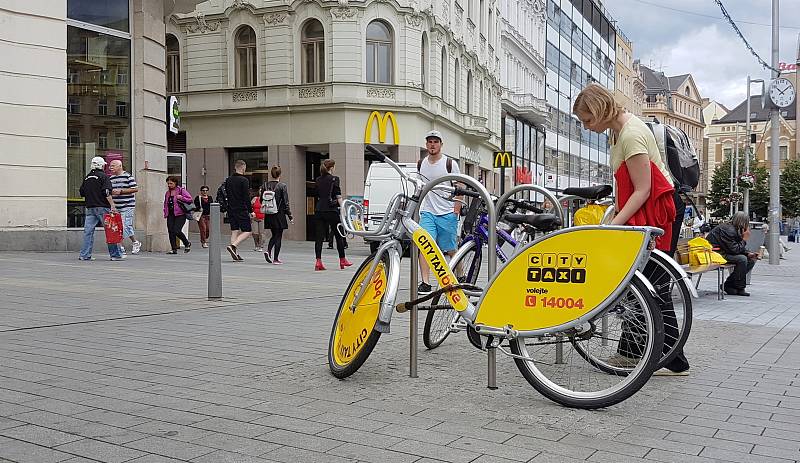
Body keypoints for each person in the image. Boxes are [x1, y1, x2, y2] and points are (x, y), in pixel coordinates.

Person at [573, 83, 689, 376]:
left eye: (587, 120)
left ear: (600, 112)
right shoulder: (619, 131)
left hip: (655, 211)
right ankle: (633, 352)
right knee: (641, 282)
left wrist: (613, 223)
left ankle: (673, 360)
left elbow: (643, 189)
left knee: (652, 284)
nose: (586, 127)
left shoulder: (632, 134)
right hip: (648, 209)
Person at [417, 130, 462, 294]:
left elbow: (460, 186)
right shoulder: (421, 163)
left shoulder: (449, 163)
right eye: (430, 141)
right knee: (425, 245)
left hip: (447, 212)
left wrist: (456, 210)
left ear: (441, 145)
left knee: (450, 249)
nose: (432, 145)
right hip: (428, 212)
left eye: (436, 142)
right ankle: (425, 282)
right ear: (426, 144)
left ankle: (460, 275)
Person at [79, 156, 123, 261]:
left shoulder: (87, 177)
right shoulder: (104, 176)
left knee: (88, 232)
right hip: (103, 207)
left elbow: (82, 192)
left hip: (90, 208)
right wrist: (112, 205)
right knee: (110, 230)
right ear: (101, 165)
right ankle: (115, 255)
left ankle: (85, 255)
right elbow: (107, 192)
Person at [706, 212, 758, 296]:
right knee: (742, 259)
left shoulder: (734, 228)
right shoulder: (729, 230)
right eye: (747, 222)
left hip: (723, 251)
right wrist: (744, 239)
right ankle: (740, 288)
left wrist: (748, 253)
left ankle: (728, 285)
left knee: (750, 260)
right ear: (743, 222)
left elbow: (734, 247)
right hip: (715, 254)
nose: (748, 226)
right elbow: (735, 250)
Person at [314, 159, 352, 270]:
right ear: (331, 168)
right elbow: (338, 196)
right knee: (338, 235)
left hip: (319, 209)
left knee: (319, 237)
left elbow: (317, 194)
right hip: (331, 209)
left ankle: (318, 261)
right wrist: (343, 210)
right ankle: (342, 260)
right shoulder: (335, 179)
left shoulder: (318, 179)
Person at [261, 166, 294, 264]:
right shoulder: (282, 186)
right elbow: (286, 202)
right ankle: (275, 258)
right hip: (279, 214)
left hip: (268, 213)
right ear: (280, 174)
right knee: (278, 235)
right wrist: (290, 215)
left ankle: (268, 251)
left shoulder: (265, 185)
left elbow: (261, 200)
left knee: (274, 234)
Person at [109, 160, 141, 255]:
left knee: (124, 226)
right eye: (110, 166)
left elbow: (135, 189)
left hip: (127, 205)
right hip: (116, 206)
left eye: (113, 166)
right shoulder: (111, 178)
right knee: (119, 227)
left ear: (120, 166)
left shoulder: (128, 176)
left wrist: (121, 191)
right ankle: (132, 243)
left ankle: (123, 245)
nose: (111, 167)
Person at [224, 159, 253, 261]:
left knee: (234, 231)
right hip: (241, 208)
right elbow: (246, 197)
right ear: (243, 168)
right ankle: (233, 246)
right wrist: (251, 211)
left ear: (235, 167)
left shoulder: (228, 180)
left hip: (230, 209)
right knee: (247, 231)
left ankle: (235, 253)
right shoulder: (244, 180)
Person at [163, 176, 193, 254]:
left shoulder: (181, 190)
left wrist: (182, 197)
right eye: (168, 183)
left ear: (175, 183)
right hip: (170, 214)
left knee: (176, 230)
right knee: (170, 231)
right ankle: (173, 249)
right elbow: (165, 203)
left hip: (180, 214)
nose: (169, 185)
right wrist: (165, 212)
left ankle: (186, 243)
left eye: (171, 183)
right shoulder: (167, 193)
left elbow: (190, 199)